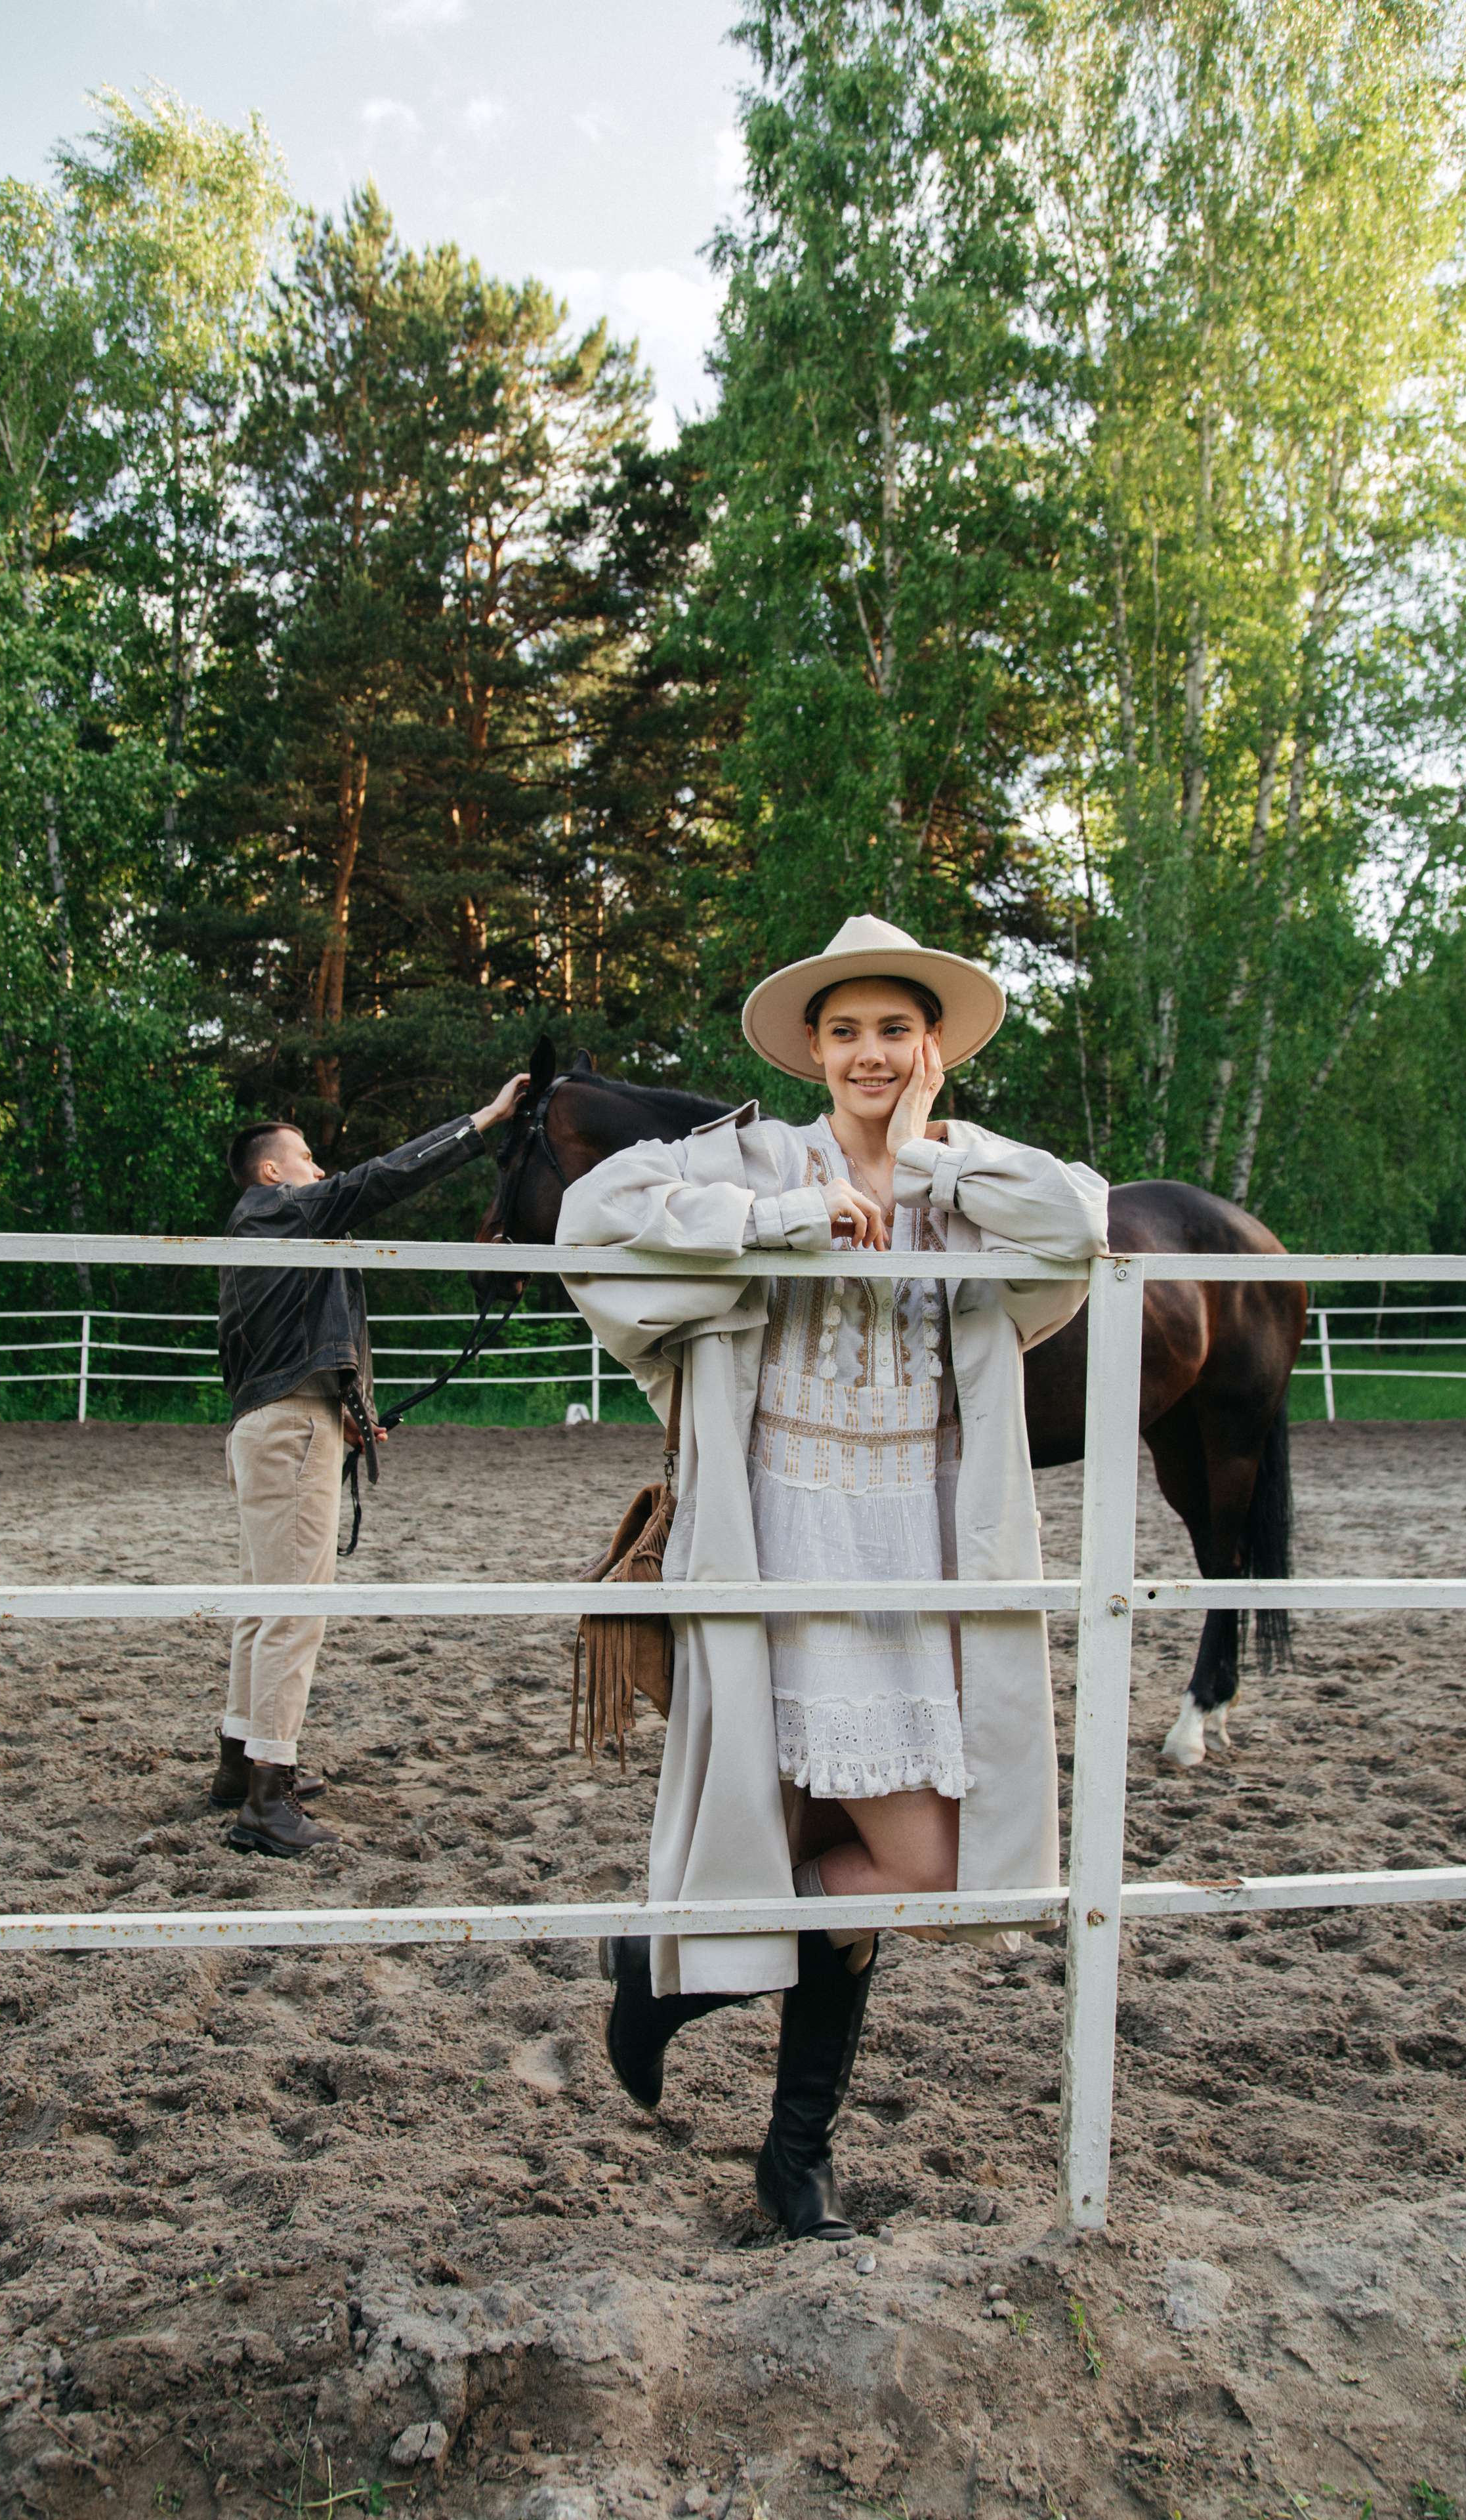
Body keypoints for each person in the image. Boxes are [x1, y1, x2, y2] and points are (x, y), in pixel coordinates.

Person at [558, 914, 1109, 2240]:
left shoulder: (965, 1178)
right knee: (809, 1845)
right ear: (813, 1046)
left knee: (928, 1869)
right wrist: (785, 1217)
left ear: (929, 1049)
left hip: (908, 1563)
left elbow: (1079, 1221)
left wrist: (922, 1148)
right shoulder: (743, 1158)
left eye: (895, 1031)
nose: (870, 1052)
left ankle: (668, 1971)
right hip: (772, 1544)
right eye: (848, 1030)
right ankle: (792, 2164)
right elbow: (590, 1219)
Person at [213, 1077, 528, 1857]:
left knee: (261, 1604)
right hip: (293, 1434)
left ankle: (237, 1761)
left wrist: (350, 1416)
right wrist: (483, 1122)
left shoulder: (262, 1235)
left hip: (266, 1425)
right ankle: (266, 1797)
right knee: (294, 1612)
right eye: (307, 1159)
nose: (321, 1171)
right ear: (272, 1173)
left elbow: (295, 1345)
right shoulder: (280, 1211)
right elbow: (379, 1178)